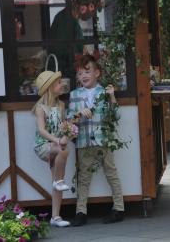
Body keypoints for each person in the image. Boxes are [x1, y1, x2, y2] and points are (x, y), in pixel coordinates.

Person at [69, 55, 125, 226]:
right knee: (83, 176)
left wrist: (113, 97)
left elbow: (115, 116)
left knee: (111, 172)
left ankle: (119, 208)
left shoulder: (104, 92)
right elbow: (69, 119)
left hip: (104, 139)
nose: (83, 76)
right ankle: (81, 212)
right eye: (79, 74)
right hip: (84, 141)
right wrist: (79, 114)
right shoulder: (74, 94)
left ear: (97, 73)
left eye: (87, 71)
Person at [33, 71, 71, 227]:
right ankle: (59, 181)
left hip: (56, 145)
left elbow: (62, 126)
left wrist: (66, 131)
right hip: (43, 146)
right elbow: (42, 130)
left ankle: (55, 217)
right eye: (58, 82)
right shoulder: (40, 108)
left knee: (57, 181)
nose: (61, 84)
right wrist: (57, 140)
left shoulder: (61, 105)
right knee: (63, 151)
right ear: (49, 87)